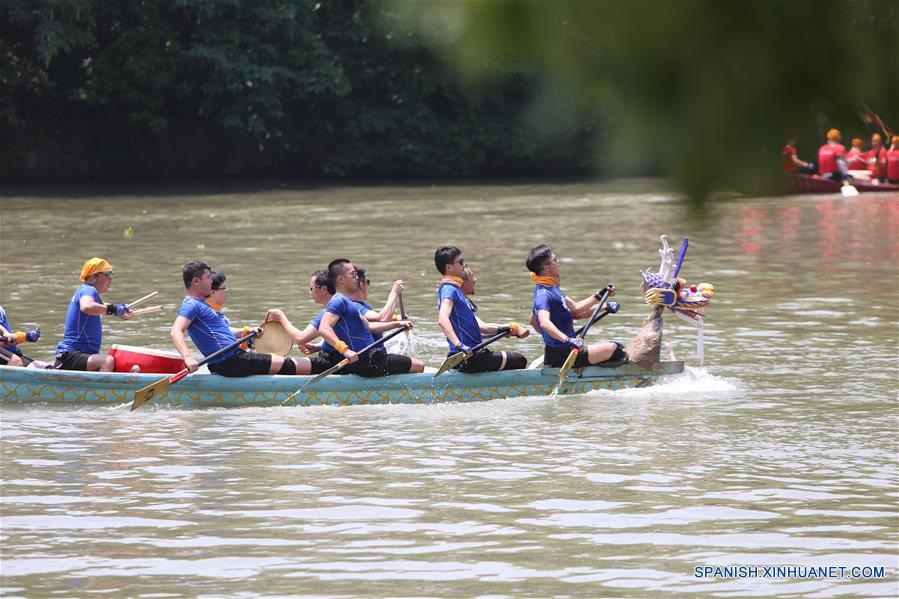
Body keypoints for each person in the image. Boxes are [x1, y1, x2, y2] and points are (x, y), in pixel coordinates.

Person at [172, 260, 310, 377]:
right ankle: (319, 370)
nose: (211, 281)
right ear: (196, 281)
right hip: (230, 361)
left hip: (232, 359)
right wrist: (188, 357)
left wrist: (246, 331)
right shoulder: (191, 305)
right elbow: (176, 330)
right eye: (208, 278)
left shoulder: (202, 304)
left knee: (279, 363)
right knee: (285, 363)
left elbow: (220, 332)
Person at [526, 244, 627, 369]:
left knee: (613, 349)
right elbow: (544, 323)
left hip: (564, 350)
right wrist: (567, 340)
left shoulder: (552, 288)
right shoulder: (543, 295)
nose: (558, 262)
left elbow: (576, 309)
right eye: (555, 260)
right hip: (564, 354)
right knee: (617, 349)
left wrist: (602, 298)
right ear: (546, 268)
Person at [316, 259, 422, 377]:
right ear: (340, 279)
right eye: (353, 274)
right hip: (368, 361)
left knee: (413, 364)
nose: (357, 278)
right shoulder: (338, 301)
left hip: (371, 358)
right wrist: (344, 350)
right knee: (419, 366)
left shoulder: (348, 302)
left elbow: (370, 326)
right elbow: (324, 328)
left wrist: (398, 324)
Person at [434, 246, 529, 373]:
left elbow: (481, 327)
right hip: (467, 357)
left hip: (472, 355)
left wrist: (506, 329)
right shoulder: (449, 289)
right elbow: (442, 319)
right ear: (449, 267)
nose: (463, 265)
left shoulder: (456, 291)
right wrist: (459, 345)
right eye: (460, 262)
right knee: (519, 360)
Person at [54, 258, 132, 371]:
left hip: (78, 355)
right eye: (109, 274)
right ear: (95, 277)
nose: (111, 279)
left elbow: (102, 307)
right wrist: (114, 309)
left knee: (111, 359)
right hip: (71, 355)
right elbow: (87, 307)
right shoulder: (88, 289)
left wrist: (122, 310)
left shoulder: (88, 293)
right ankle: (101, 389)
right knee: (107, 360)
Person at [265, 268, 339, 374]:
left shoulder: (330, 311)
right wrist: (317, 347)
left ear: (323, 289)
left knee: (285, 365)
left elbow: (300, 338)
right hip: (333, 357)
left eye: (312, 288)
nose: (310, 292)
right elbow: (339, 334)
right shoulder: (338, 305)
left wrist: (281, 318)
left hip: (334, 363)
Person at [349, 266, 405, 343]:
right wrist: (394, 292)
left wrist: (396, 318)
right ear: (361, 285)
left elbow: (374, 320)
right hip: (372, 353)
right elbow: (382, 318)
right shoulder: (354, 306)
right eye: (367, 281)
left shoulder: (362, 305)